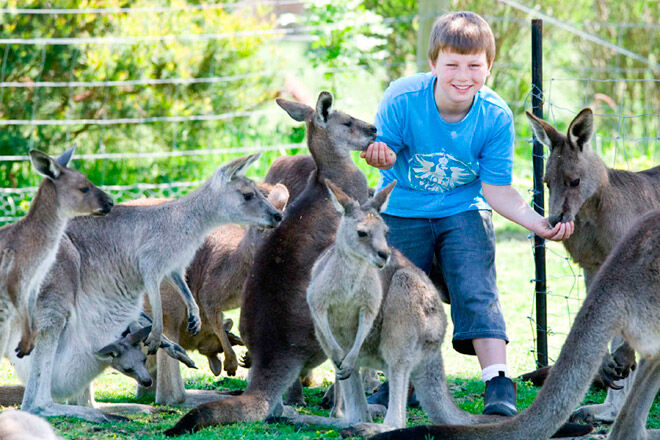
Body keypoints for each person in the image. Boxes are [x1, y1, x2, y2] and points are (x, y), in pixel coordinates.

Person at [361, 11, 574, 417]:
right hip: (403, 208)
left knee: (476, 285)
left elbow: (496, 189)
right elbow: (382, 152)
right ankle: (396, 381)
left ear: (488, 68)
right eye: (452, 64)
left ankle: (497, 381)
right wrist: (379, 155)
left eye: (474, 65)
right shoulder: (403, 99)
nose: (463, 75)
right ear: (433, 65)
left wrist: (538, 223)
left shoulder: (494, 116)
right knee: (394, 293)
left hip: (464, 208)